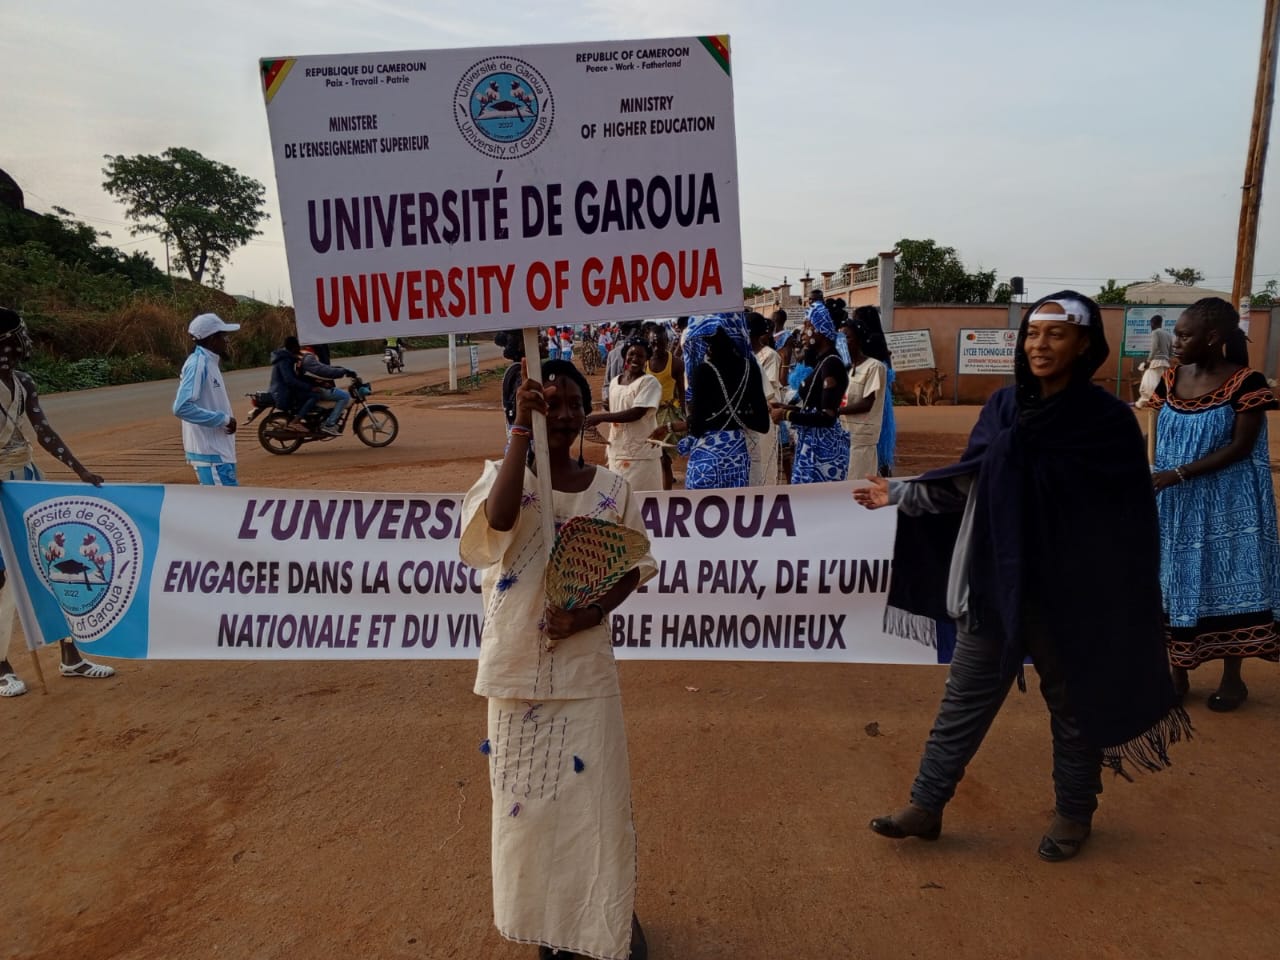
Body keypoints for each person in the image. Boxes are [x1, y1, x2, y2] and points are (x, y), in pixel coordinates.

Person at [855, 291, 1188, 862]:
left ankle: (1074, 813)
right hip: (997, 580)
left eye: (1055, 335)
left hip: (1072, 592)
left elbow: (1123, 515)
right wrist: (903, 493)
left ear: (1085, 344)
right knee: (964, 698)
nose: (1040, 345)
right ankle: (926, 804)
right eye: (1033, 334)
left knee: (1073, 705)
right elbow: (973, 478)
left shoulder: (1107, 422)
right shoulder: (1005, 408)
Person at [460, 359, 655, 960]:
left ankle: (599, 926)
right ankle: (548, 929)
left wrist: (591, 615)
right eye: (549, 403)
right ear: (519, 411)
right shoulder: (502, 479)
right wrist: (522, 432)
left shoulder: (612, 489)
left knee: (592, 812)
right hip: (517, 672)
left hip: (585, 673)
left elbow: (633, 566)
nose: (564, 414)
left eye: (574, 402)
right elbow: (496, 523)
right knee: (529, 816)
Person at [1149, 297, 1280, 710]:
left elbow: (1242, 447)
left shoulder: (1247, 382)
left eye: (1185, 335)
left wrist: (1180, 473)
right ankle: (1176, 675)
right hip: (1173, 506)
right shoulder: (1170, 379)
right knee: (1171, 581)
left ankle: (1233, 680)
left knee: (1227, 584)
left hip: (1228, 506)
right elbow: (1156, 437)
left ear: (1213, 338)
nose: (1176, 341)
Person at [0, 307, 115, 695]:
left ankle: (71, 655)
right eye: (17, 337)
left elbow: (44, 433)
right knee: (1, 578)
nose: (23, 343)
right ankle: (1, 665)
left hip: (27, 481)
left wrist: (81, 471)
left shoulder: (24, 382)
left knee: (51, 564)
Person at [670, 313, 770, 489]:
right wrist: (734, 417)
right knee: (736, 512)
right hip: (738, 456)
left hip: (706, 458)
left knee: (700, 511)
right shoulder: (750, 367)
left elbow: (698, 424)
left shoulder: (702, 371)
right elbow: (762, 424)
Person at [771, 300, 850, 484]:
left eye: (808, 325)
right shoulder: (823, 362)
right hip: (813, 445)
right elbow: (814, 409)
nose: (804, 332)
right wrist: (786, 408)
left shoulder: (831, 364)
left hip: (822, 451)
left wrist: (786, 414)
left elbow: (827, 417)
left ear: (821, 329)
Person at [587, 339, 663, 492]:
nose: (635, 359)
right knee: (619, 499)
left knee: (641, 500)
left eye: (640, 356)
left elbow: (637, 413)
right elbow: (614, 405)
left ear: (646, 359)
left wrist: (600, 417)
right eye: (631, 354)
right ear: (625, 356)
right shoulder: (615, 381)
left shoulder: (649, 382)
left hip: (641, 454)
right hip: (617, 450)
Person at [173, 313, 240, 485]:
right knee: (225, 509)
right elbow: (182, 407)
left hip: (218, 453)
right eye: (223, 336)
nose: (226, 341)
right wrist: (223, 419)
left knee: (225, 508)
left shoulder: (209, 362)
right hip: (211, 455)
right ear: (211, 340)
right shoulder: (198, 364)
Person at [839, 316, 887, 481]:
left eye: (847, 337)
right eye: (840, 337)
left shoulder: (874, 367)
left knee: (856, 484)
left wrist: (834, 411)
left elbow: (867, 403)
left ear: (859, 340)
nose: (842, 342)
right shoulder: (841, 367)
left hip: (861, 437)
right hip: (842, 435)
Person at [850, 305, 896, 475]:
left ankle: (883, 471)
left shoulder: (872, 340)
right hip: (875, 390)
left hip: (873, 390)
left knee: (878, 438)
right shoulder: (877, 338)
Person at [646, 323, 684, 490]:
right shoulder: (644, 363)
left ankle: (666, 496)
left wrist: (684, 415)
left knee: (664, 458)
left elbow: (681, 391)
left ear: (667, 342)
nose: (656, 347)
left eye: (659, 343)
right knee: (650, 457)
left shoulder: (675, 364)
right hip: (647, 414)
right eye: (653, 343)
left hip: (667, 413)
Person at [748, 312, 782, 485]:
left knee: (766, 456)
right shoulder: (744, 356)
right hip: (751, 413)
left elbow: (765, 387)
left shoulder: (769, 355)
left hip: (767, 410)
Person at [299, 345, 356, 436]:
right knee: (345, 396)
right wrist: (343, 371)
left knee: (335, 391)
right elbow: (323, 370)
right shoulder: (308, 358)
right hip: (314, 389)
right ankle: (329, 424)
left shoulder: (303, 356)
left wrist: (340, 370)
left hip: (313, 386)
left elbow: (322, 368)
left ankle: (327, 417)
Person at [269, 336, 318, 432]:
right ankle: (296, 421)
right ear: (293, 347)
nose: (299, 348)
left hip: (285, 390)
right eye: (297, 346)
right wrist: (309, 387)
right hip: (283, 393)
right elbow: (289, 380)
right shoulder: (284, 360)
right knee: (315, 396)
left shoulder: (286, 357)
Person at [1137, 314, 1173, 405]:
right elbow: (1171, 351)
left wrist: (1148, 361)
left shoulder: (1155, 333)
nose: (1151, 326)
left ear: (1153, 323)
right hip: (1165, 362)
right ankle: (1160, 401)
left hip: (1156, 362)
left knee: (1148, 382)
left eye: (1151, 324)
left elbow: (1154, 348)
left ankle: (1149, 400)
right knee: (1161, 383)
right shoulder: (1168, 334)